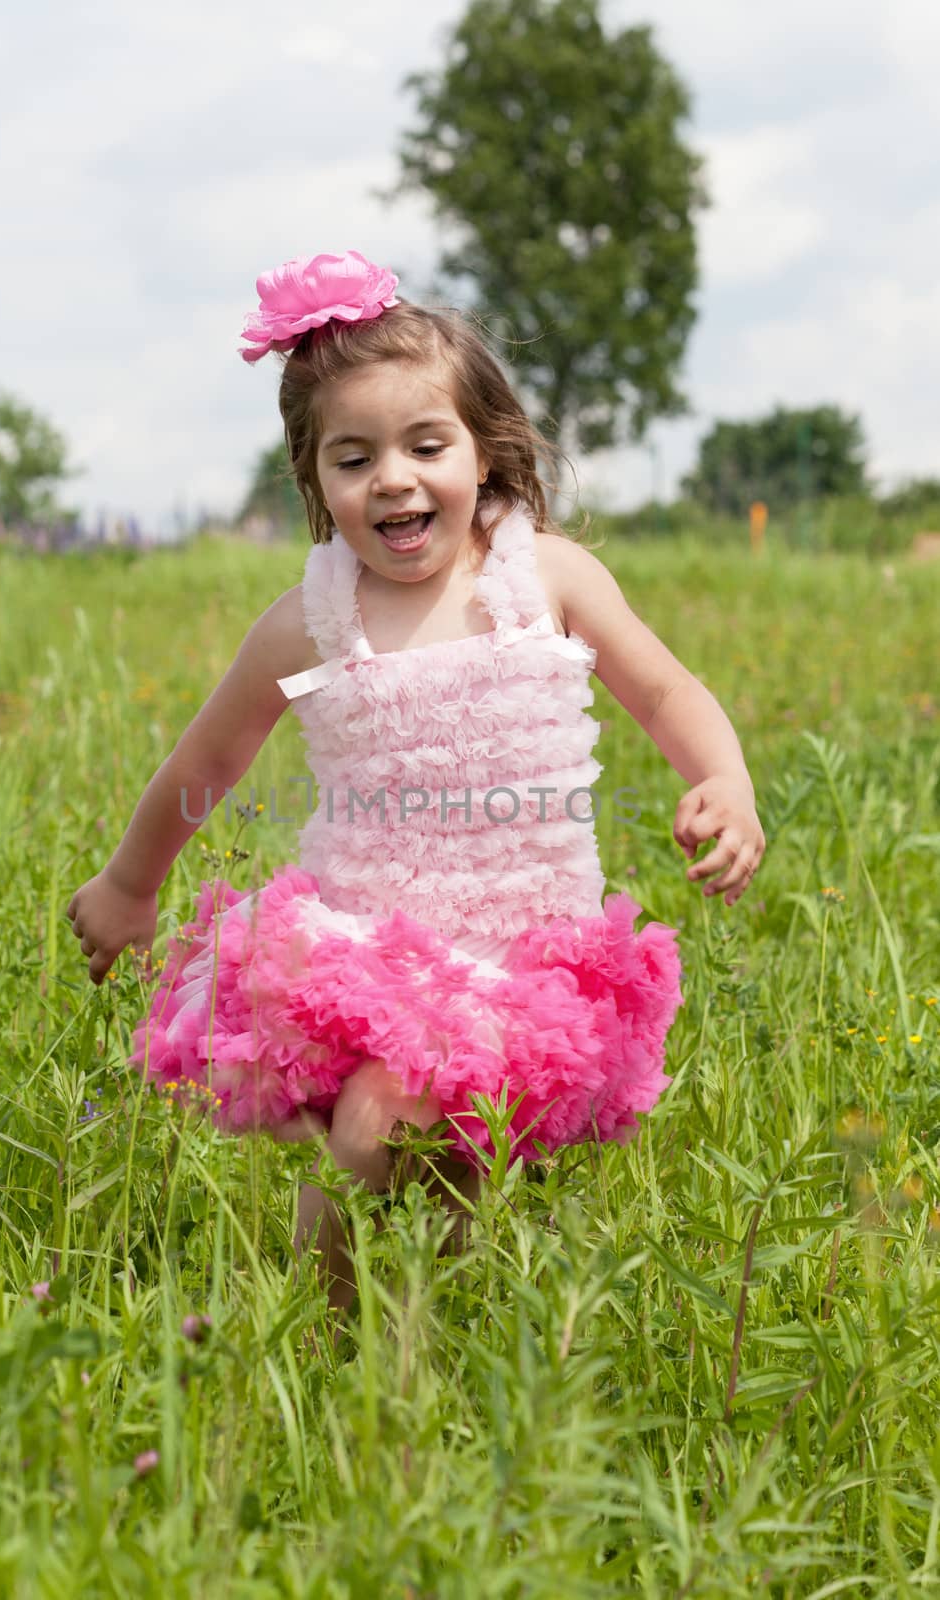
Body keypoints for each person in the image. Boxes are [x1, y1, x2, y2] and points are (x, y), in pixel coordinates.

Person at [66, 249, 765, 1319]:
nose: (391, 476)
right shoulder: (311, 620)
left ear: (483, 454)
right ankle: (335, 1331)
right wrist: (128, 883)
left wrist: (723, 780)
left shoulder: (548, 581)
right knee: (371, 1125)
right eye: (353, 459)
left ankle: (424, 1352)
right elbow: (204, 765)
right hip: (368, 953)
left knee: (455, 1173)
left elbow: (668, 691)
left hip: (523, 960)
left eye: (423, 445)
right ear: (317, 481)